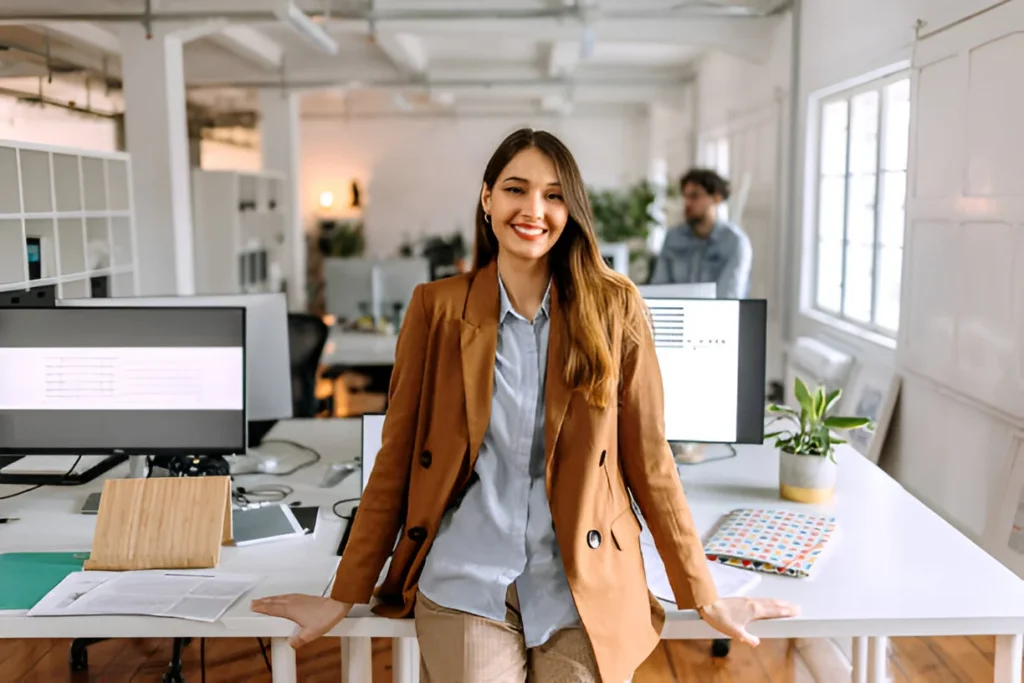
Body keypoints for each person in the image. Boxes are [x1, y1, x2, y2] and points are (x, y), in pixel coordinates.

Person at [251, 129, 796, 682]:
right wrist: (343, 594)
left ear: (571, 209)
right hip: (468, 578)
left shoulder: (615, 307)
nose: (534, 209)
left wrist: (704, 595)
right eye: (516, 189)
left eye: (554, 195)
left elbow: (651, 462)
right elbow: (396, 461)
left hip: (582, 581)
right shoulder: (436, 309)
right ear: (487, 199)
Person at [649, 168, 753, 299]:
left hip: (717, 317)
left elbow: (729, 297)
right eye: (685, 196)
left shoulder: (735, 242)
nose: (687, 203)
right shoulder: (673, 238)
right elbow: (659, 289)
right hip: (677, 316)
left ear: (716, 198)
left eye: (694, 196)